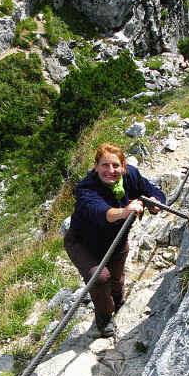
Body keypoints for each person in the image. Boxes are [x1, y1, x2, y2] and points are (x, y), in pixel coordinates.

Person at [64, 142, 166, 337]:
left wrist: (156, 202)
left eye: (115, 166)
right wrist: (125, 211)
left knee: (117, 278)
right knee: (100, 278)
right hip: (83, 243)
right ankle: (103, 316)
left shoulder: (131, 176)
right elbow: (103, 213)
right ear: (96, 167)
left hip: (116, 240)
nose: (110, 171)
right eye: (104, 165)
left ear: (124, 166)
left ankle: (117, 302)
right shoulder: (86, 189)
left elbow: (151, 189)